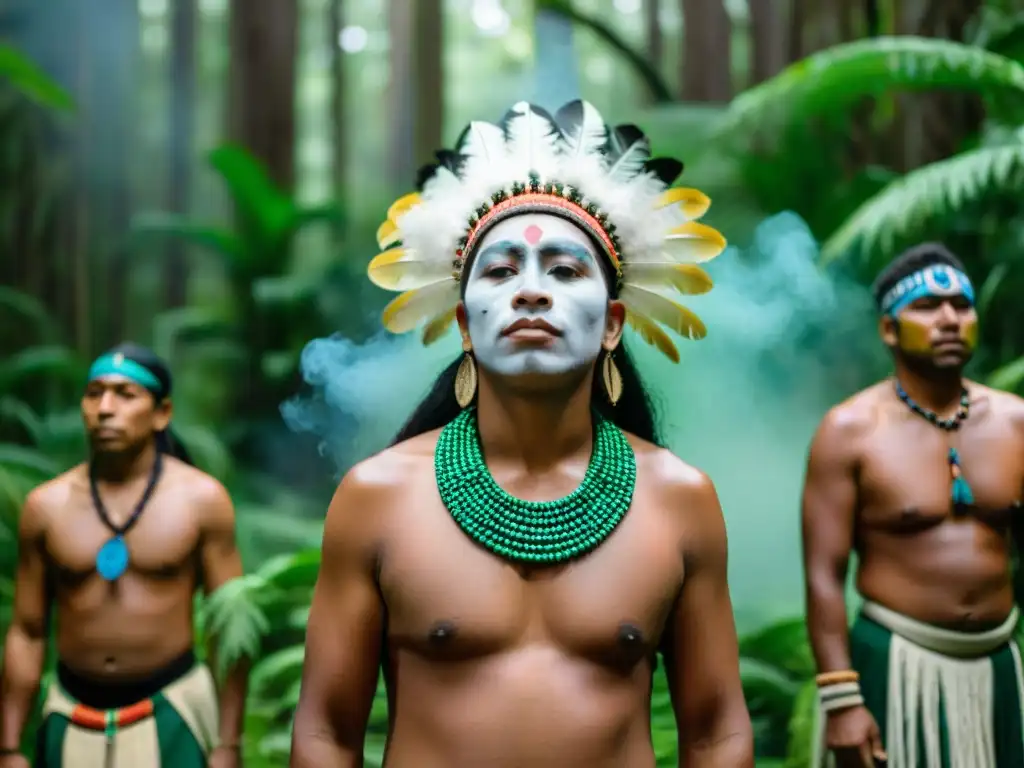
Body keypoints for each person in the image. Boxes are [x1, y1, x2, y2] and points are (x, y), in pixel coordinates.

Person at [289, 100, 754, 768]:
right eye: (502, 272)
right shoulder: (377, 497)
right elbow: (325, 732)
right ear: (463, 325)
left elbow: (718, 732)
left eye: (565, 272)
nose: (530, 293)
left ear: (613, 323)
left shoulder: (680, 499)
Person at [802, 243, 1024, 768]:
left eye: (961, 305)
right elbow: (823, 576)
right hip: (897, 664)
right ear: (888, 330)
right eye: (926, 307)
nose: (949, 319)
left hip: (999, 662)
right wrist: (842, 699)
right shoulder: (850, 432)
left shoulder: (1016, 423)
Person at [0, 343, 249, 768]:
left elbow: (229, 629)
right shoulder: (46, 507)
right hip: (71, 709)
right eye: (94, 393)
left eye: (125, 394)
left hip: (173, 708)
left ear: (162, 413)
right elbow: (28, 631)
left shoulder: (201, 501)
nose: (105, 408)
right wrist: (7, 747)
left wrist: (228, 743)